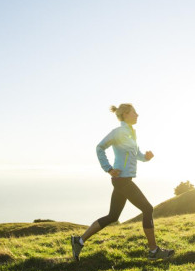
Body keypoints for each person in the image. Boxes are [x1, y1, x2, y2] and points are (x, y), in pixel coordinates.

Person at [71, 103, 174, 261]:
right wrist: (108, 168)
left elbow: (136, 154)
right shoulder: (118, 132)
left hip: (124, 180)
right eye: (134, 112)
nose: (137, 115)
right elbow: (99, 148)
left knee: (113, 216)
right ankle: (153, 251)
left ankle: (79, 241)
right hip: (122, 180)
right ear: (126, 114)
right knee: (147, 208)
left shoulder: (132, 133)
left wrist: (146, 157)